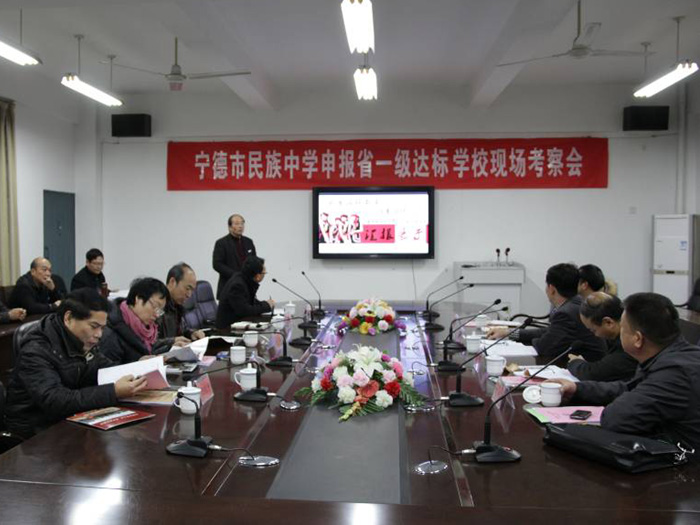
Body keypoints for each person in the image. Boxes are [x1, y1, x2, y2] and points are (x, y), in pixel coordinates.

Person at [556, 293, 700, 454]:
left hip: (687, 463)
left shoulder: (673, 373)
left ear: (637, 339)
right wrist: (578, 389)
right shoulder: (673, 355)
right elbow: (629, 388)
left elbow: (615, 419)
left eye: (623, 328)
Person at [5, 289, 147, 439]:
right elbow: (55, 400)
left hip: (69, 418)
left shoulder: (81, 339)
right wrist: (113, 392)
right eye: (94, 326)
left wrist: (137, 367)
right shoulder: (36, 349)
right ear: (69, 318)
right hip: (35, 430)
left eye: (102, 328)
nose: (99, 334)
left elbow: (103, 367)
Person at [486, 263, 606, 361]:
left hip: (587, 367)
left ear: (551, 289)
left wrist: (533, 341)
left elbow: (544, 347)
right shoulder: (575, 302)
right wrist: (508, 333)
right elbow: (550, 332)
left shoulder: (566, 312)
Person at [567, 292, 638, 381]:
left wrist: (575, 362)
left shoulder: (628, 344)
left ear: (608, 322)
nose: (595, 335)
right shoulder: (618, 337)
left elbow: (593, 374)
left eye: (593, 330)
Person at [100, 278, 169, 364]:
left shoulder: (146, 330)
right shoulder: (111, 331)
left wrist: (170, 346)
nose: (157, 315)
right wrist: (137, 365)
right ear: (138, 299)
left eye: (160, 310)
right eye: (155, 306)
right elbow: (107, 370)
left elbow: (147, 351)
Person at [215, 256, 274, 329]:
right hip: (227, 329)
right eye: (264, 273)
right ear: (258, 276)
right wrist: (267, 306)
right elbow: (244, 310)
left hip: (238, 324)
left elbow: (250, 302)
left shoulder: (245, 280)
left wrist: (265, 304)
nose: (264, 275)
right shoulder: (237, 285)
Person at [156, 262, 206, 348]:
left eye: (192, 290)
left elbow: (183, 329)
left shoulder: (177, 306)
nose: (189, 295)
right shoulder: (156, 306)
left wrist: (192, 333)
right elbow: (149, 343)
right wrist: (172, 342)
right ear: (172, 282)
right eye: (187, 288)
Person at [212, 214, 256, 299]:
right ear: (229, 227)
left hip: (247, 287)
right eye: (236, 223)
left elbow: (254, 260)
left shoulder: (249, 242)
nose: (240, 226)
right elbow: (217, 264)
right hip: (229, 287)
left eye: (242, 223)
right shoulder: (221, 243)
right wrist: (236, 275)